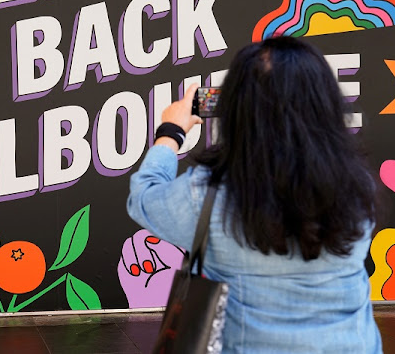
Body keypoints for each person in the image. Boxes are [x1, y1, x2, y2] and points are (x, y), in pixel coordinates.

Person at [128, 37, 381, 353]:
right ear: (324, 103)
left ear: (236, 107)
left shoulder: (206, 192)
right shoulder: (358, 187)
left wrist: (171, 132)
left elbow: (143, 198)